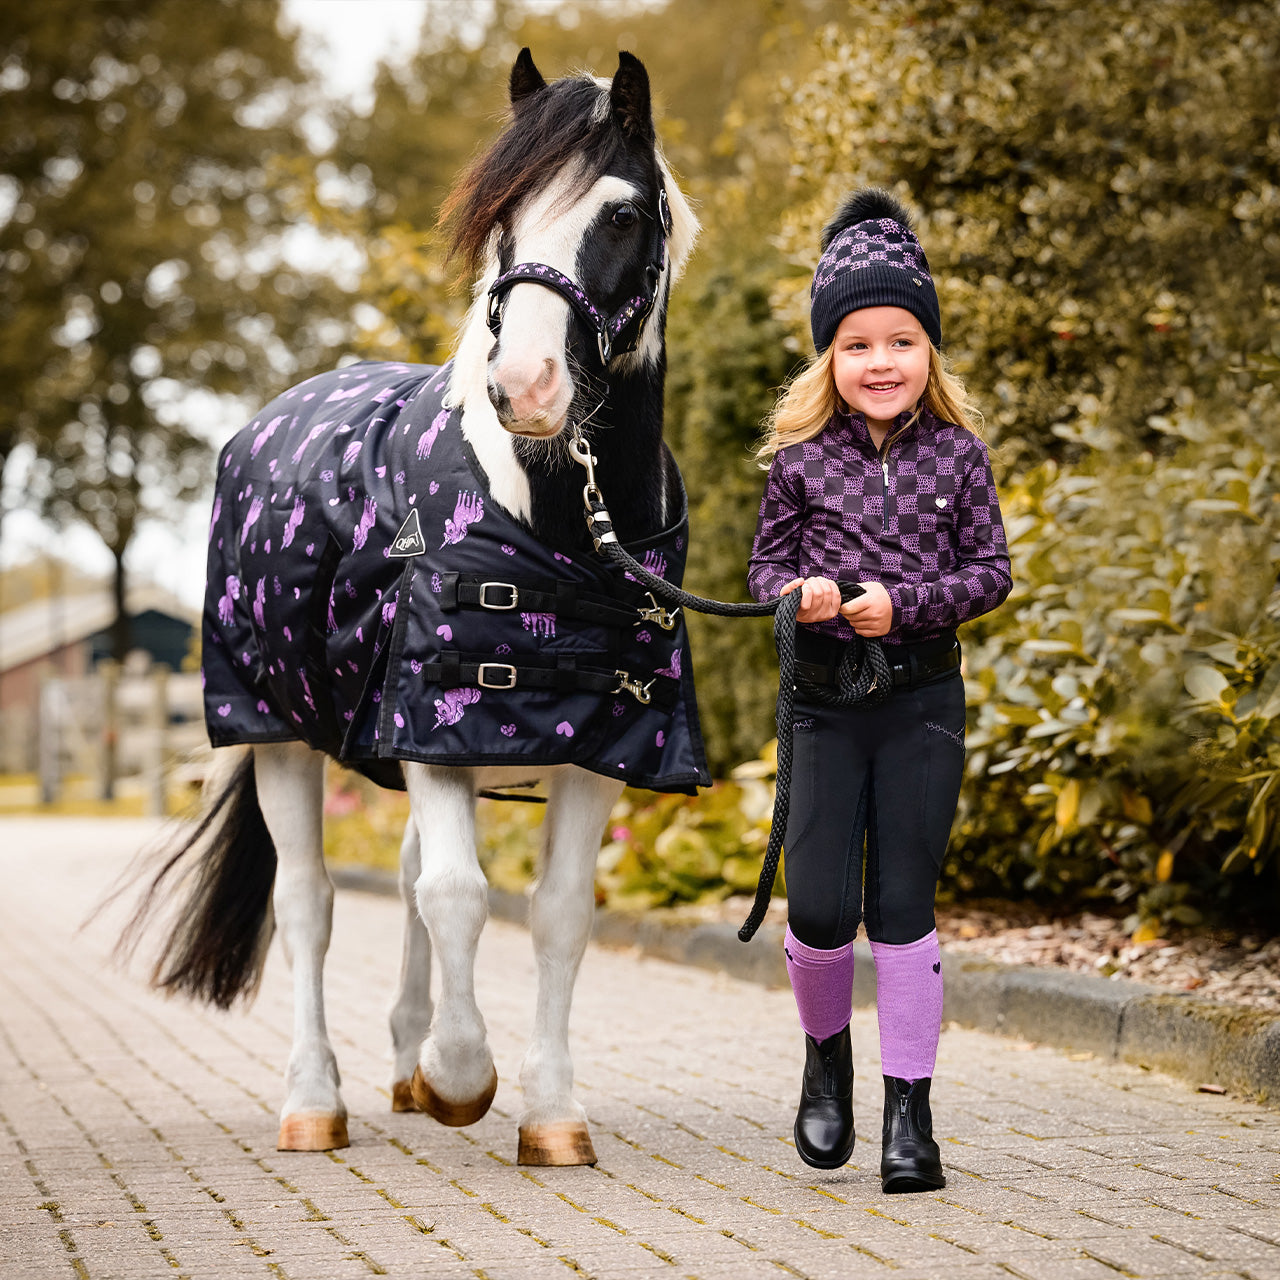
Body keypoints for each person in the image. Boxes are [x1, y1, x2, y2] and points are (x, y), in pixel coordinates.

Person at [748, 189, 1012, 1192]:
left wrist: (902, 606)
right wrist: (802, 596)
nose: (880, 361)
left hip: (920, 703)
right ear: (829, 357)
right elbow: (762, 572)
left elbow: (990, 573)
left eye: (901, 340)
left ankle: (911, 1113)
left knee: (902, 902)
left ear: (928, 350)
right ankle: (826, 1066)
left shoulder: (959, 455)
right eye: (856, 344)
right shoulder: (797, 462)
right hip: (822, 706)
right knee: (819, 907)